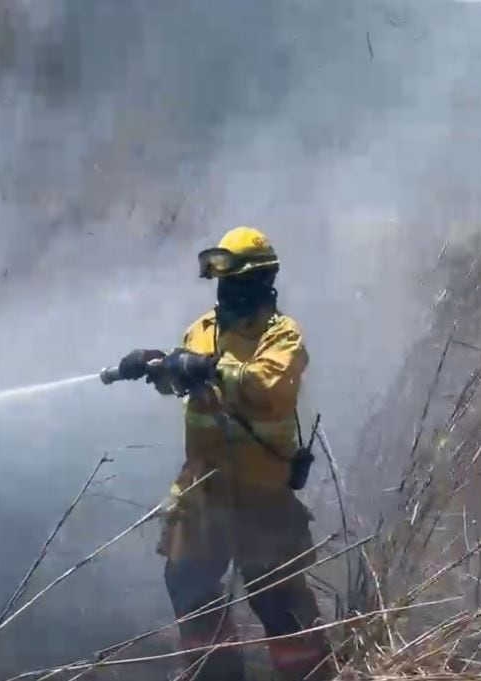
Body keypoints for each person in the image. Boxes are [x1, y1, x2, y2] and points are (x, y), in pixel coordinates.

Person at [114, 227, 336, 681]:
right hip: (203, 489)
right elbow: (183, 379)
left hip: (261, 493)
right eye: (219, 280)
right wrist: (156, 365)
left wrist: (210, 368)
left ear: (259, 282)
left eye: (234, 280)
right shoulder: (202, 329)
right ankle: (218, 674)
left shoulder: (282, 336)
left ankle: (311, 677)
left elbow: (266, 387)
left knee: (276, 598)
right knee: (188, 587)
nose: (224, 290)